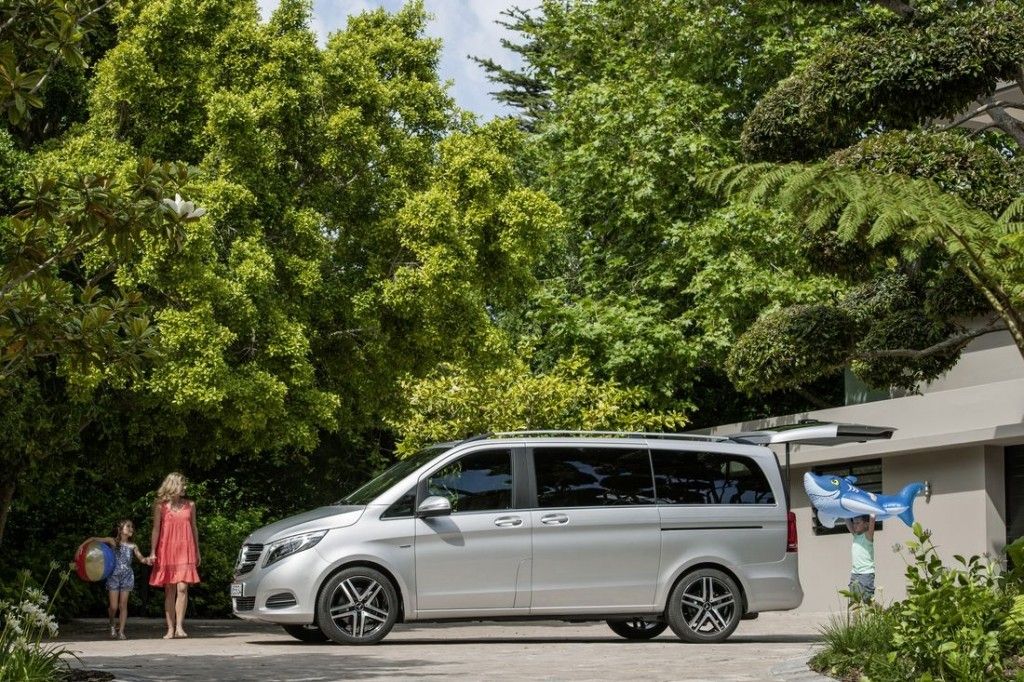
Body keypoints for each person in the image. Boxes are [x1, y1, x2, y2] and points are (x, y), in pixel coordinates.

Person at [79, 519, 153, 639]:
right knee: (113, 607)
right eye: (128, 526)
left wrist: (147, 560)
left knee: (123, 605)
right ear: (120, 529)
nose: (131, 529)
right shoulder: (112, 541)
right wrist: (81, 546)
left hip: (127, 576)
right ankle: (112, 623)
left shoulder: (133, 546)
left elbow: (141, 558)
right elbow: (93, 539)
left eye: (132, 527)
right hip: (113, 576)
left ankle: (121, 631)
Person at [148, 472, 201, 639]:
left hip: (185, 549)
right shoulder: (160, 506)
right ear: (173, 485)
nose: (185, 487)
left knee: (183, 588)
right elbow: (156, 529)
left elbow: (194, 528)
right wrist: (153, 551)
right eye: (182, 484)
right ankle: (170, 629)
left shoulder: (190, 505)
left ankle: (179, 627)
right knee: (169, 590)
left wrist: (197, 550)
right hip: (167, 550)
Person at [845, 514, 876, 603]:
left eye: (858, 523)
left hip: (866, 573)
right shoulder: (855, 535)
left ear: (866, 524)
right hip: (855, 573)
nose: (855, 525)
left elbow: (872, 519)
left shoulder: (868, 535)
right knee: (854, 601)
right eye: (854, 523)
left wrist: (872, 515)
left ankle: (876, 610)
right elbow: (847, 520)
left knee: (868, 601)